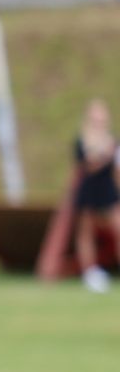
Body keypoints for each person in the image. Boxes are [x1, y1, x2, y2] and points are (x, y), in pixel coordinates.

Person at [71, 100, 119, 292]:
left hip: (108, 189)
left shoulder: (112, 141)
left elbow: (116, 169)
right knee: (85, 232)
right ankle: (90, 273)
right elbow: (88, 165)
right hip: (89, 190)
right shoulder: (82, 140)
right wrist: (104, 154)